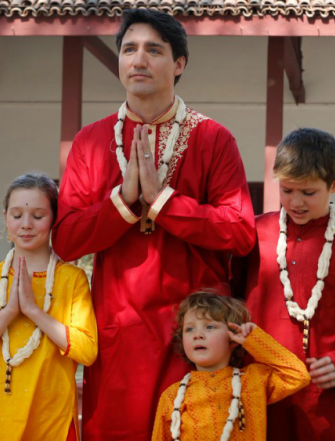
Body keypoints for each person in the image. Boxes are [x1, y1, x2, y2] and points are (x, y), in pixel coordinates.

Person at [52, 9, 256, 439]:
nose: (138, 60)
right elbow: (67, 239)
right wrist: (123, 203)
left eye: (153, 50)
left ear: (179, 64)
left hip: (196, 334)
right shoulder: (91, 141)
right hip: (118, 331)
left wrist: (164, 202)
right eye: (129, 49)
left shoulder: (212, 138)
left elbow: (240, 231)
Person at [232, 128, 335, 440]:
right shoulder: (253, 235)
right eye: (287, 190)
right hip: (261, 393)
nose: (296, 202)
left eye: (308, 193)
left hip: (327, 398)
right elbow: (228, 302)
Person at [0, 173, 98, 441]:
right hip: (2, 425)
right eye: (17, 215)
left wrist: (34, 312)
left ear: (55, 218)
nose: (26, 225)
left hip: (53, 424)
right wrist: (8, 313)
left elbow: (87, 351)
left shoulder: (71, 278)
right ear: (5, 217)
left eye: (38, 215)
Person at [151, 292, 310, 441]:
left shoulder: (254, 379)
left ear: (232, 337)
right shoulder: (172, 397)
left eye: (210, 327)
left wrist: (253, 339)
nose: (197, 335)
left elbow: (298, 375)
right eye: (189, 329)